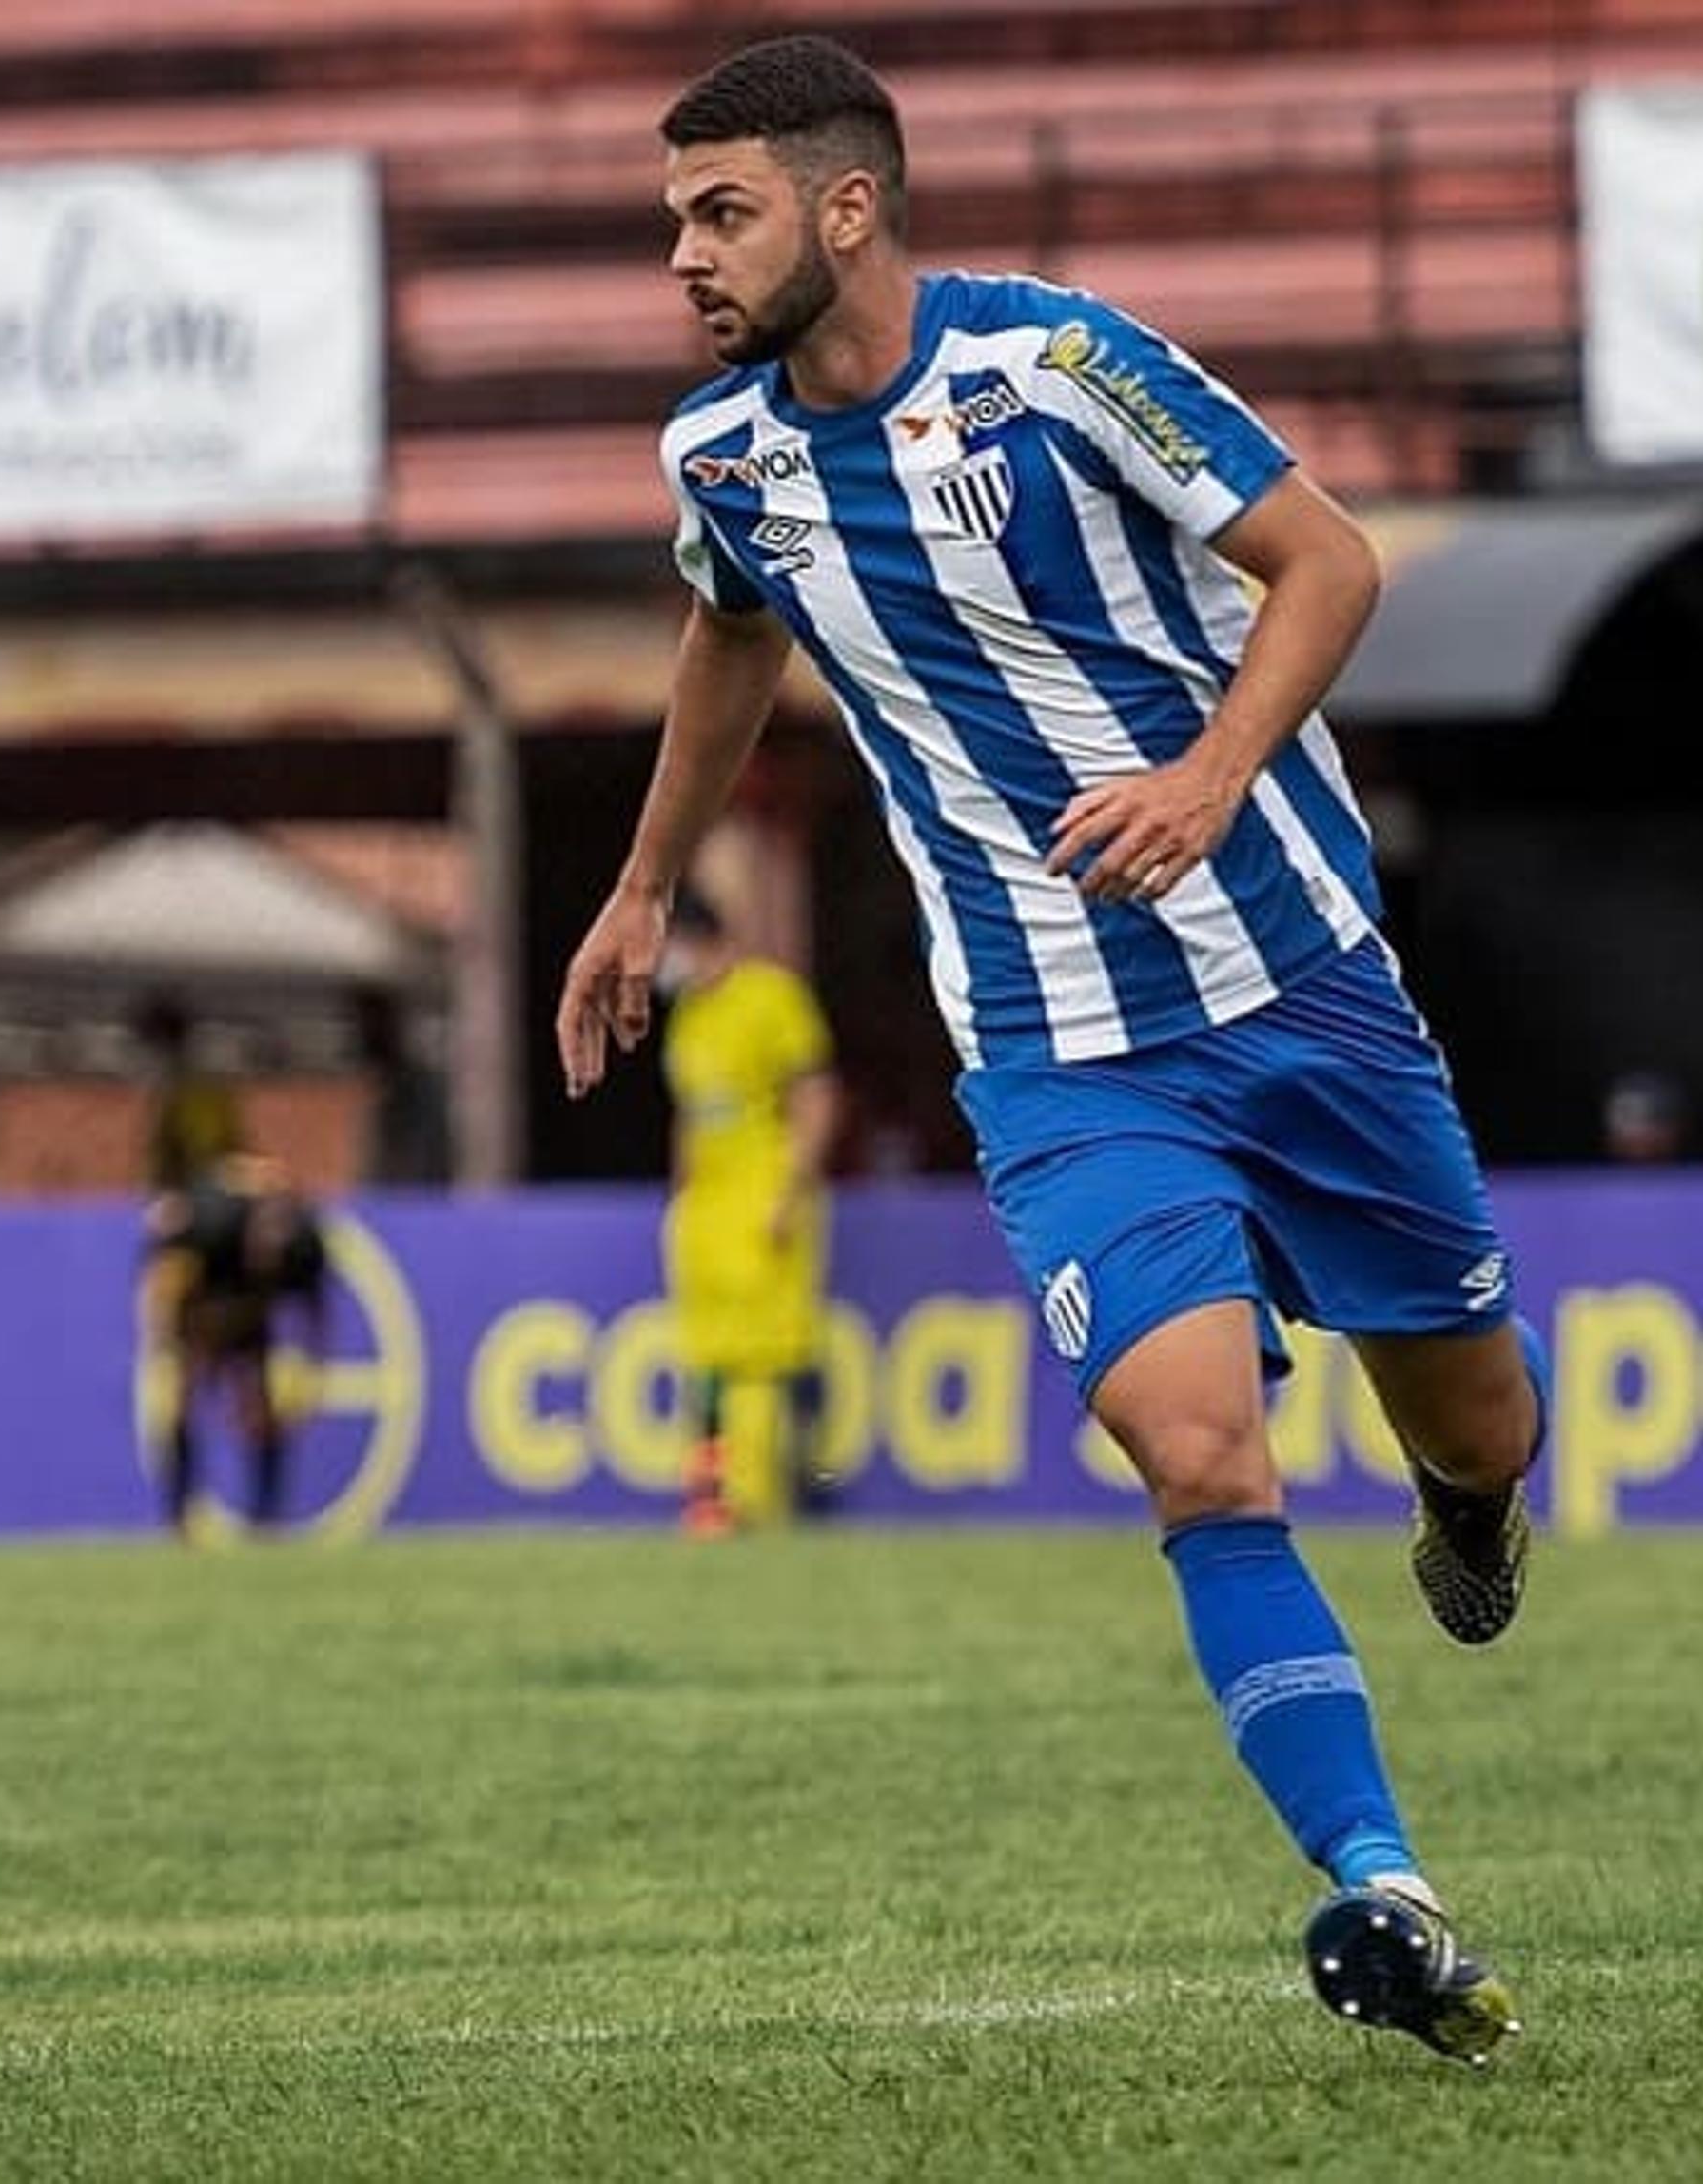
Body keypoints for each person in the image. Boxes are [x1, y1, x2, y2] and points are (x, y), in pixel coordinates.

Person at [555, 34, 1543, 2062]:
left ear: (848, 208)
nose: (684, 255)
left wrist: (1207, 769)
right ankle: (1382, 1878)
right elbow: (733, 630)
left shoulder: (1058, 365)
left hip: (1300, 986)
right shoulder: (720, 457)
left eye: (718, 211)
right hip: (1057, 1047)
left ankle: (1465, 1508)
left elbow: (1328, 559)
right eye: (672, 218)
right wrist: (647, 882)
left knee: (1480, 1421)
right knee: (1197, 1449)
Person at [655, 889, 840, 1535]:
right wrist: (679, 1200)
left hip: (766, 1199)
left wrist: (792, 1191)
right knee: (708, 1358)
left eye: (666, 945)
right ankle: (712, 1501)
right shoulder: (687, 1013)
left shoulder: (770, 996)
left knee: (764, 1358)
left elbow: (815, 1096)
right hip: (707, 1210)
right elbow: (690, 1114)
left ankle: (763, 1504)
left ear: (697, 935)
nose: (661, 963)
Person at [140, 1152, 329, 1539]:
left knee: (262, 1412)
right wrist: (159, 1338)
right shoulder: (210, 1224)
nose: (268, 1255)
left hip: (250, 1317)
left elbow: (315, 1310)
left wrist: (314, 1368)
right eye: (264, 1246)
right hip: (199, 1308)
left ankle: (265, 1519)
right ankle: (179, 1514)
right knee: (182, 1406)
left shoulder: (305, 1247)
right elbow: (160, 1280)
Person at [136, 994, 245, 1193]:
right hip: (204, 1187)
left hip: (208, 1193)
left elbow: (208, 1156)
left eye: (147, 1048)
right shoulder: (175, 1089)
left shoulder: (195, 1090)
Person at [352, 983, 455, 1190]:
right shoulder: (387, 1091)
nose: (359, 1039)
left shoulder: (422, 1090)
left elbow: (418, 1167)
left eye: (368, 1026)